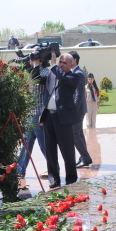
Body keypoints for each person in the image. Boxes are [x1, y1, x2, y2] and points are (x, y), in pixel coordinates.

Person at [40, 52, 81, 188]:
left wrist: (54, 66)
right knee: (50, 150)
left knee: (67, 150)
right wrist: (36, 64)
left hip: (63, 118)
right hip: (49, 117)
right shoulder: (52, 74)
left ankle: (70, 178)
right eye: (60, 62)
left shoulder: (74, 75)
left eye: (64, 63)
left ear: (71, 64)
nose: (61, 65)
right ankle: (54, 179)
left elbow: (63, 78)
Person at [16, 51, 52, 179]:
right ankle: (20, 170)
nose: (30, 62)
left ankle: (53, 169)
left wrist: (35, 65)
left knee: (44, 145)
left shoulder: (46, 73)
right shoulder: (31, 72)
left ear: (40, 60)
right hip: (31, 114)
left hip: (40, 115)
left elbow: (39, 80)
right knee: (26, 143)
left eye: (33, 59)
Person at [69, 51, 91, 168]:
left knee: (74, 134)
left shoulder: (78, 73)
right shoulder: (74, 72)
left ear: (75, 60)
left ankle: (86, 158)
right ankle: (83, 157)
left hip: (77, 110)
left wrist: (74, 110)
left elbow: (79, 94)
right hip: (78, 110)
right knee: (79, 135)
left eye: (68, 60)